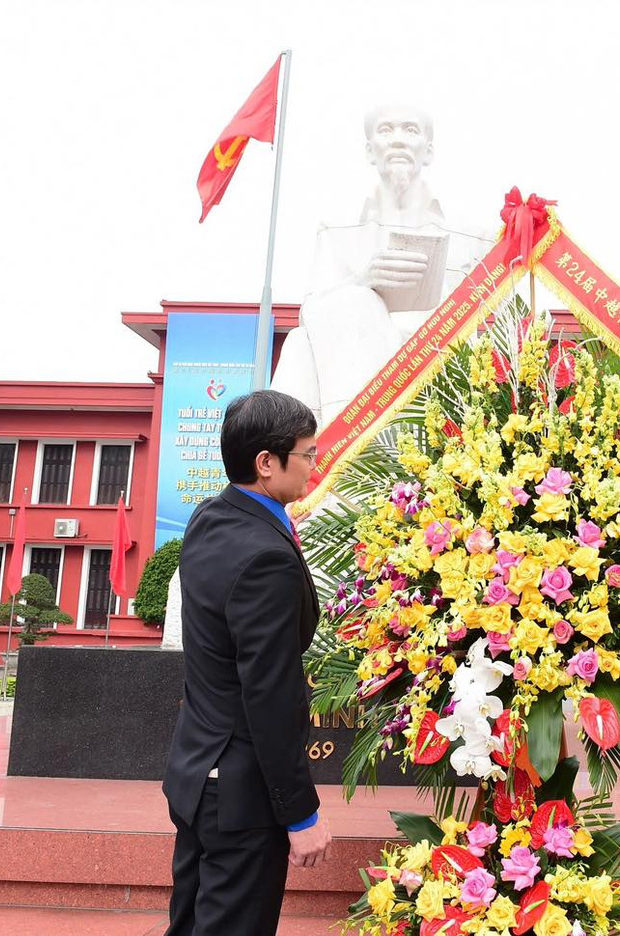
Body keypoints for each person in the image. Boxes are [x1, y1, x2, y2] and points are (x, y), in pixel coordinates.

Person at [163, 389, 331, 936]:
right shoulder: (265, 556)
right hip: (240, 791)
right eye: (306, 453)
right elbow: (270, 694)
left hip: (198, 774)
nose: (313, 465)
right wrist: (300, 815)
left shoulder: (210, 518)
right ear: (266, 463)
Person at [271, 104, 490, 425]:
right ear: (370, 149)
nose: (398, 140)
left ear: (428, 151)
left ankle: (350, 450)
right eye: (386, 130)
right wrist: (363, 283)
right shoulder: (338, 231)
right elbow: (311, 313)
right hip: (356, 364)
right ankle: (298, 455)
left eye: (410, 130)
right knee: (298, 345)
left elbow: (495, 316)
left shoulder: (470, 235)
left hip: (439, 360)